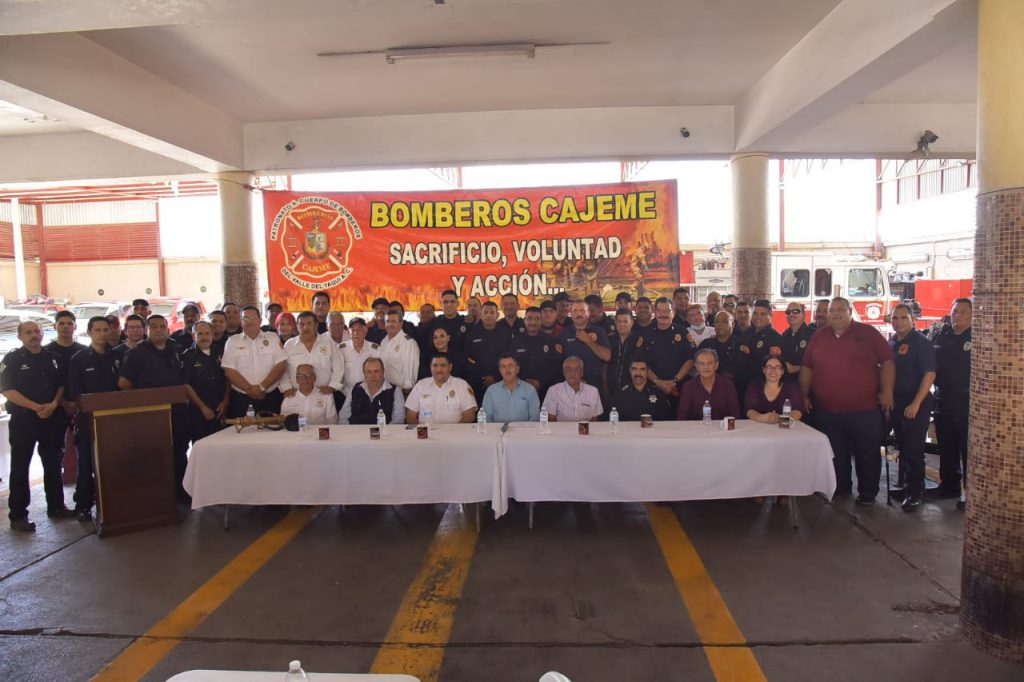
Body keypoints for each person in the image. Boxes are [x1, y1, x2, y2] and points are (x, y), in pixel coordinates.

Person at [800, 297, 895, 506]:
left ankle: (868, 494)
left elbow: (887, 361)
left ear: (850, 311)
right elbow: (807, 367)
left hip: (864, 411)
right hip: (828, 410)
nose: (835, 314)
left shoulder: (868, 333)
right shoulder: (819, 336)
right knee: (836, 453)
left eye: (840, 310)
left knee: (867, 454)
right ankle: (841, 488)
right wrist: (804, 394)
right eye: (831, 310)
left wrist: (887, 391)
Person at [2, 321, 71, 531]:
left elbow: (61, 385)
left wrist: (54, 404)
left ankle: (56, 506)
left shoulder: (53, 357)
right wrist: (35, 407)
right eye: (28, 332)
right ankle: (18, 515)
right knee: (20, 466)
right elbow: (7, 389)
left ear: (42, 334)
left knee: (53, 463)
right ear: (20, 336)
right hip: (24, 419)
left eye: (37, 331)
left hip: (51, 417)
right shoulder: (12, 359)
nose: (34, 335)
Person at [118, 314, 190, 501]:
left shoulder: (176, 348)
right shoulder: (137, 352)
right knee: (155, 453)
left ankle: (180, 491)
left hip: (177, 410)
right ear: (147, 330)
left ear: (167, 329)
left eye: (162, 326)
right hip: (150, 413)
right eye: (154, 327)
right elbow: (124, 382)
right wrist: (144, 399)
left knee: (179, 451)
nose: (159, 330)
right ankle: (158, 494)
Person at [66, 316, 120, 522]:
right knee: (87, 463)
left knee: (113, 462)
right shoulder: (79, 359)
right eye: (97, 330)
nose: (102, 334)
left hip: (114, 420)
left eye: (105, 330)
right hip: (89, 419)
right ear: (89, 332)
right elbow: (75, 392)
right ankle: (84, 505)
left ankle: (113, 501)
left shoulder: (117, 356)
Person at [888, 304, 936, 512]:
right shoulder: (892, 342)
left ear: (912, 319)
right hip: (897, 401)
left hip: (916, 400)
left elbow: (929, 374)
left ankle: (916, 492)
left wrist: (916, 403)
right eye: (895, 318)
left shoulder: (921, 343)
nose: (898, 322)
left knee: (914, 448)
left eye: (903, 318)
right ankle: (908, 486)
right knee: (903, 445)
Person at [929, 298, 971, 507]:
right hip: (943, 397)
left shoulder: (976, 336)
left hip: (966, 400)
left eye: (963, 311)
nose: (958, 315)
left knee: (967, 449)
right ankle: (949, 487)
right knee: (946, 445)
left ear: (972, 315)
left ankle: (971, 495)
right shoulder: (942, 335)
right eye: (955, 311)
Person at [221, 305, 288, 417]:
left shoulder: (272, 338)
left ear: (260, 320)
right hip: (241, 399)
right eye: (245, 318)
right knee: (244, 432)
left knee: (273, 431)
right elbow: (229, 370)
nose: (249, 321)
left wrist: (262, 387)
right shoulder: (232, 342)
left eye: (253, 317)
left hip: (269, 396)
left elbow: (281, 365)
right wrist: (249, 389)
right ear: (241, 321)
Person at [46, 310, 87, 475]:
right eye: (61, 323)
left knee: (85, 449)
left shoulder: (84, 351)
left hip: (81, 405)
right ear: (54, 326)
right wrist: (63, 403)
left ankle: (84, 486)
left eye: (69, 323)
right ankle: (57, 498)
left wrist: (76, 403)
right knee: (55, 451)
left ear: (75, 326)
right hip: (57, 407)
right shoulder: (46, 352)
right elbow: (48, 384)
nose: (65, 327)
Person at [279, 312, 345, 412]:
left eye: (309, 323)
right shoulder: (289, 345)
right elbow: (283, 369)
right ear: (297, 326)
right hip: (297, 396)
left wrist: (332, 386)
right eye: (302, 324)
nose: (305, 327)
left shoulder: (328, 343)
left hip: (325, 396)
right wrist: (286, 387)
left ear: (316, 325)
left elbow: (339, 366)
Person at [642, 297, 694, 411]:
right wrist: (658, 382)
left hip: (678, 387)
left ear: (673, 313)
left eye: (667, 311)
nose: (663, 314)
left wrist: (674, 381)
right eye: (660, 310)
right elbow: (641, 362)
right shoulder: (645, 334)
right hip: (653, 387)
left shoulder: (683, 332)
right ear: (654, 312)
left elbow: (690, 360)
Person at [182, 320, 228, 445]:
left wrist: (225, 402)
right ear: (193, 336)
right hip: (198, 411)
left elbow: (228, 378)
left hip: (220, 409)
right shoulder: (187, 356)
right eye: (200, 334)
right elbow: (186, 384)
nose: (204, 337)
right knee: (201, 446)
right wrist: (203, 407)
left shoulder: (221, 352)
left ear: (212, 334)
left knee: (222, 447)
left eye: (207, 333)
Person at [405, 353, 477, 424]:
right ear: (430, 367)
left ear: (450, 367)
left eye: (443, 365)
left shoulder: (462, 385)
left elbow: (469, 415)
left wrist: (455, 432)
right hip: (426, 433)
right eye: (435, 365)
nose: (438, 370)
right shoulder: (420, 385)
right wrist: (422, 432)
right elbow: (410, 416)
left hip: (454, 433)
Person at [508, 306, 562, 401]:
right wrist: (524, 381)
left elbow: (557, 366)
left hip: (546, 391)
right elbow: (511, 364)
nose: (533, 322)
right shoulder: (516, 341)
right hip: (520, 389)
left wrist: (540, 382)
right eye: (529, 318)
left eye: (537, 319)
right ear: (524, 320)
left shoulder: (552, 341)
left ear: (542, 321)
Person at [464, 301, 514, 399]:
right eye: (485, 313)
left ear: (497, 315)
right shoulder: (472, 334)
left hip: (502, 381)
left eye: (492, 313)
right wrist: (481, 378)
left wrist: (495, 377)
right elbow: (467, 358)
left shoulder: (506, 333)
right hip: (477, 383)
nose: (489, 315)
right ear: (481, 315)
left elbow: (510, 358)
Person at [559, 301, 611, 393]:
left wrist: (588, 341)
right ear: (571, 313)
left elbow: (607, 357)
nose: (579, 314)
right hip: (570, 386)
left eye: (582, 311)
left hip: (595, 386)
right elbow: (559, 362)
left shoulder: (599, 331)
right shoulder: (563, 334)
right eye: (575, 311)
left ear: (589, 313)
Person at [736, 299, 785, 397]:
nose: (758, 317)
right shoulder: (746, 334)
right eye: (755, 313)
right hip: (743, 387)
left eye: (762, 314)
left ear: (770, 316)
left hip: (763, 390)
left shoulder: (776, 338)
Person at [677, 348, 740, 420]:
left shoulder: (728, 385)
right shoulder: (688, 387)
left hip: (722, 428)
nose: (706, 367)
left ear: (716, 365)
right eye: (702, 364)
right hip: (696, 429)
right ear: (696, 367)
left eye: (709, 363)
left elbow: (735, 416)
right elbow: (681, 417)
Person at [338, 357, 405, 425]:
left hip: (384, 433)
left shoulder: (395, 391)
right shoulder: (355, 388)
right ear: (364, 374)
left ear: (383, 372)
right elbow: (343, 417)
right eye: (369, 372)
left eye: (376, 371)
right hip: (355, 433)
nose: (373, 376)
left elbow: (398, 420)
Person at [744, 355, 805, 423]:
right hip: (758, 428)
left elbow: (798, 412)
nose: (773, 370)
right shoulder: (754, 386)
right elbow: (749, 410)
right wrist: (761, 417)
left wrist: (780, 419)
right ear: (763, 370)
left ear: (782, 371)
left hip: (786, 429)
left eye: (777, 367)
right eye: (769, 367)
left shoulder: (792, 387)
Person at [541, 356, 603, 422]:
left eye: (576, 369)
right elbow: (551, 422)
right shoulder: (554, 391)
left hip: (585, 431)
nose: (572, 373)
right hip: (561, 431)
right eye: (568, 369)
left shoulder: (593, 392)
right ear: (564, 373)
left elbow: (595, 422)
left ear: (582, 373)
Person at [481, 353, 540, 423]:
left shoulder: (530, 390)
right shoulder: (491, 391)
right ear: (500, 370)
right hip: (497, 432)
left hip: (524, 432)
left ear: (517, 369)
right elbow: (486, 419)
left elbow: (534, 418)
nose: (507, 370)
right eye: (503, 366)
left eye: (510, 366)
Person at [607, 358, 671, 421]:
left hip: (652, 431)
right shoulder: (620, 395)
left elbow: (665, 422)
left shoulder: (658, 394)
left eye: (642, 369)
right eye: (634, 369)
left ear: (647, 372)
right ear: (630, 371)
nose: (638, 373)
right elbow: (614, 423)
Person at [379, 308, 420, 397]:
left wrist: (406, 392)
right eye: (387, 321)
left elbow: (411, 372)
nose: (390, 324)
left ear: (401, 323)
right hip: (384, 390)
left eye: (393, 321)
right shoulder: (383, 342)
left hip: (402, 393)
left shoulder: (408, 343)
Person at [338, 318, 382, 395]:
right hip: (345, 393)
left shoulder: (375, 349)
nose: (356, 333)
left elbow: (380, 372)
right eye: (353, 330)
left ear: (365, 331)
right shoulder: (340, 349)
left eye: (359, 330)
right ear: (349, 332)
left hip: (368, 393)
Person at [606, 308, 643, 399]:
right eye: (619, 321)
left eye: (625, 321)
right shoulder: (609, 340)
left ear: (632, 322)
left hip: (633, 389)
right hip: (610, 389)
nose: (621, 324)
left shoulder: (639, 340)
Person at [699, 311, 742, 383]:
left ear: (733, 324)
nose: (720, 325)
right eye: (717, 322)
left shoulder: (741, 345)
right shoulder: (706, 344)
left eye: (725, 322)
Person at [780, 302, 814, 382]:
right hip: (787, 384)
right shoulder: (784, 335)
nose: (791, 314)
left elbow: (819, 364)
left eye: (796, 311)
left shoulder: (813, 335)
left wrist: (796, 368)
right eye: (788, 312)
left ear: (804, 314)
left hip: (807, 384)